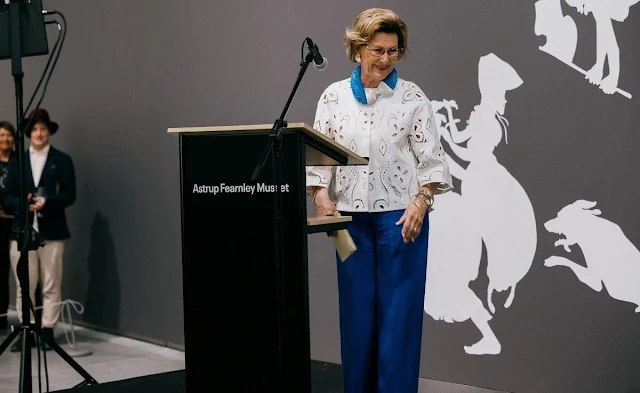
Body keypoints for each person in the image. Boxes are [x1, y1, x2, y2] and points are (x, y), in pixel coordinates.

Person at [306, 8, 453, 393]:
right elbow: (319, 158)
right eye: (377, 50)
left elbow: (433, 163)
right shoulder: (333, 97)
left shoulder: (412, 97)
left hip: (401, 223)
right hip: (349, 224)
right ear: (357, 49)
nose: (385, 59)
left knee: (398, 320)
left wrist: (421, 202)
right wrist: (322, 198)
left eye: (393, 51)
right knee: (356, 319)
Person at [2, 108, 76, 351]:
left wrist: (48, 202)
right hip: (21, 231)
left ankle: (47, 331)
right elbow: (7, 196)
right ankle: (28, 330)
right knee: (25, 285)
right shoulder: (17, 162)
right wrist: (23, 202)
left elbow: (69, 194)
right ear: (29, 133)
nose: (39, 133)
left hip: (52, 231)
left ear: (49, 132)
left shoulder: (62, 160)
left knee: (51, 284)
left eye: (43, 129)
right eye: (35, 129)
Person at [0, 121, 15, 330]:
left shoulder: (19, 161)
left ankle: (31, 319)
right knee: (0, 272)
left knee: (24, 271)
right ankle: (1, 317)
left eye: (8, 135)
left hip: (16, 219)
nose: (5, 138)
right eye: (1, 135)